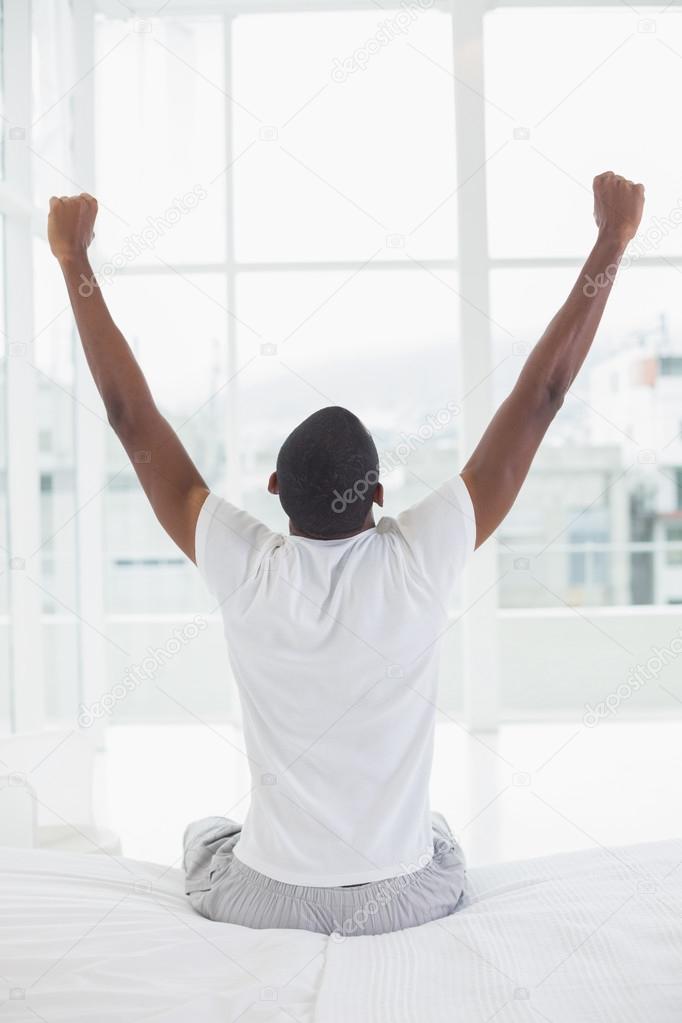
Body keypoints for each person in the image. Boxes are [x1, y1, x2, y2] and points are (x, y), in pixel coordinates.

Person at [48, 171, 644, 937]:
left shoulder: (244, 565)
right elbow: (542, 398)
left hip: (269, 897)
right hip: (402, 898)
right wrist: (613, 238)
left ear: (272, 489)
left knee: (205, 835)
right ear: (381, 496)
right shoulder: (419, 558)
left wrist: (74, 259)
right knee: (436, 835)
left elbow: (132, 419)